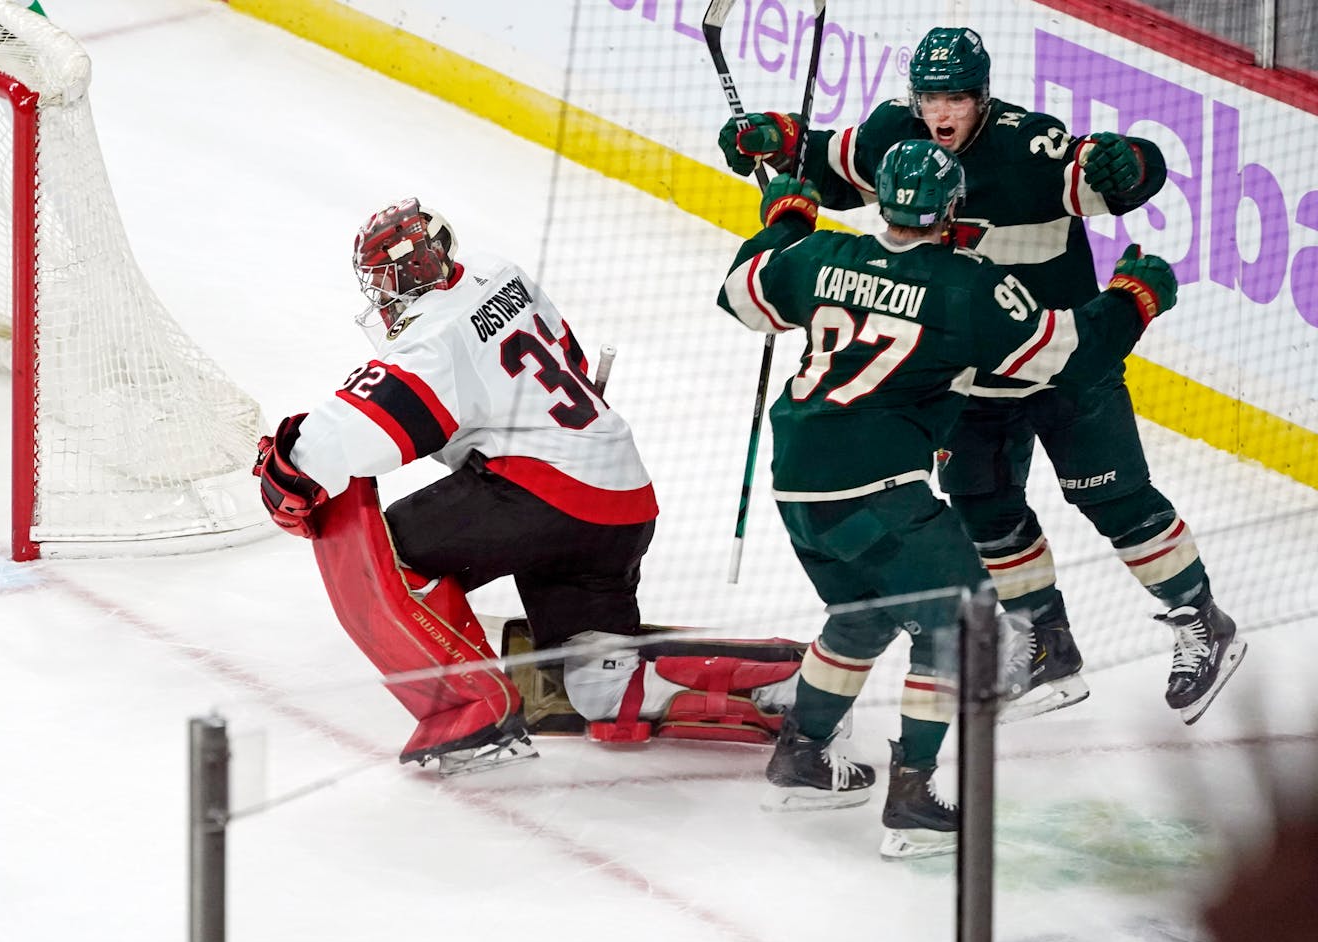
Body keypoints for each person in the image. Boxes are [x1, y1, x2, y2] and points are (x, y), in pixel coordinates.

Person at [717, 27, 1246, 727]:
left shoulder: (1028, 148)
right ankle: (1046, 643)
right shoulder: (892, 140)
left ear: (983, 95)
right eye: (931, 95)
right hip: (966, 379)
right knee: (987, 512)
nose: (943, 113)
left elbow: (1117, 176)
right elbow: (822, 163)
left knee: (1115, 500)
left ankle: (1202, 620)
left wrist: (1136, 162)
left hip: (1061, 360)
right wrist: (773, 138)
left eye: (958, 97)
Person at [716, 139, 1179, 858]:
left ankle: (802, 758)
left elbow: (740, 290)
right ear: (952, 208)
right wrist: (1135, 294)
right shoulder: (966, 288)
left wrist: (785, 219)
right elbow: (1074, 353)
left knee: (861, 616)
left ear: (882, 202)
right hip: (876, 489)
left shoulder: (816, 256)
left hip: (798, 483)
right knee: (960, 620)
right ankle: (913, 797)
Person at [254, 198, 801, 775]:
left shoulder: (430, 338)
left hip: (542, 495)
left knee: (385, 557)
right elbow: (573, 358)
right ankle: (787, 676)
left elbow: (351, 438)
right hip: (622, 498)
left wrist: (291, 466)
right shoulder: (500, 273)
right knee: (599, 683)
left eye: (385, 279)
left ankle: (474, 714)